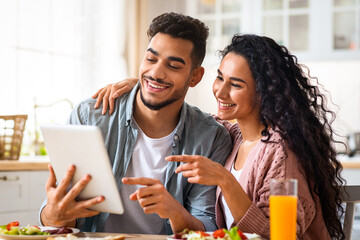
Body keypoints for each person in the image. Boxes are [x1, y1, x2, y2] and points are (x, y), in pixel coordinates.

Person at [94, 34, 345, 239]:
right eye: (219, 78)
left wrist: (225, 180)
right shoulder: (232, 134)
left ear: (264, 93)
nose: (220, 92)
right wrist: (141, 87)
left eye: (236, 85)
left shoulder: (281, 151)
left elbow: (280, 236)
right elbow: (184, 112)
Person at [39, 12, 232, 235]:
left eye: (173, 66)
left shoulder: (211, 138)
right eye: (151, 59)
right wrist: (52, 216)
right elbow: (58, 216)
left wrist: (175, 211)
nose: (156, 73)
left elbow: (208, 227)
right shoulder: (89, 117)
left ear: (195, 77)